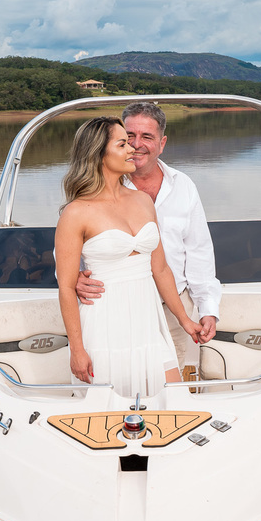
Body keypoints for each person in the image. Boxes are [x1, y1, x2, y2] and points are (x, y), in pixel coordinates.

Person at [55, 117, 201, 397]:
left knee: (172, 399)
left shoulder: (142, 201)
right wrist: (77, 349)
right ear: (99, 152)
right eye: (122, 143)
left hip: (149, 323)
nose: (132, 148)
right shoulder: (76, 213)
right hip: (104, 324)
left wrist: (185, 320)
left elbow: (160, 270)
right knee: (107, 413)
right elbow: (65, 287)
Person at [75, 102, 221, 377]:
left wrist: (207, 310)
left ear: (162, 143)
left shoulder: (184, 186)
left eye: (147, 137)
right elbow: (68, 250)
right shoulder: (92, 192)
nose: (136, 145)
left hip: (175, 306)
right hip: (115, 309)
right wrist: (74, 278)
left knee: (181, 385)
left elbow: (199, 253)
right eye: (128, 137)